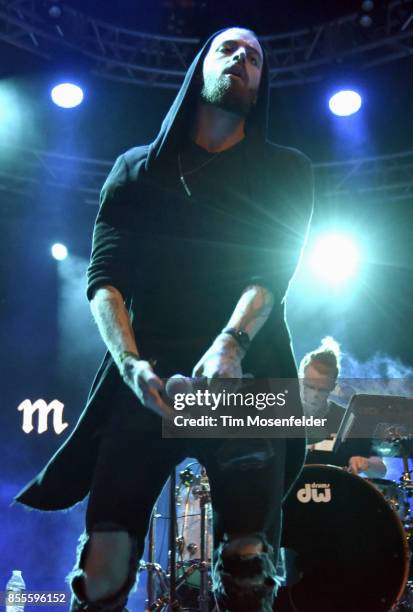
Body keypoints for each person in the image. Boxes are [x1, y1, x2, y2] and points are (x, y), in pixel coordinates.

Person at [13, 27, 314, 611]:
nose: (242, 60)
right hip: (150, 377)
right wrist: (129, 366)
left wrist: (231, 343)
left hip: (244, 378)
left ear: (262, 82)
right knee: (103, 566)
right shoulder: (137, 170)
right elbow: (105, 281)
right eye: (229, 49)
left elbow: (272, 272)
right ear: (199, 68)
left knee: (249, 564)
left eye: (255, 57)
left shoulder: (286, 169)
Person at [299, 336, 386, 477]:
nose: (314, 395)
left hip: (339, 494)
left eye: (322, 390)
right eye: (309, 386)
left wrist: (366, 462)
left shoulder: (347, 419)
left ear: (332, 387)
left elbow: (381, 469)